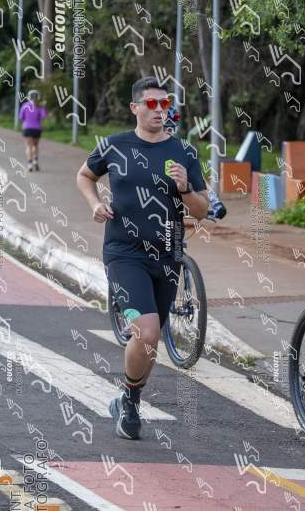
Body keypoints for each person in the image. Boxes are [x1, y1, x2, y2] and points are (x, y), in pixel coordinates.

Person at [76, 76, 209, 439]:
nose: (159, 110)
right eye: (151, 104)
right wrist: (94, 204)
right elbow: (85, 176)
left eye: (165, 104)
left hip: (167, 254)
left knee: (150, 341)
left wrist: (185, 189)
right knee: (146, 330)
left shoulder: (184, 152)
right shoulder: (114, 146)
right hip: (123, 253)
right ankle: (132, 406)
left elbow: (202, 209)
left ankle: (128, 399)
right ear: (135, 107)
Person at [19, 90, 48, 172]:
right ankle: (35, 160)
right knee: (36, 146)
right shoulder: (40, 106)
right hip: (37, 129)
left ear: (29, 96)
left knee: (29, 146)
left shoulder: (25, 105)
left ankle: (29, 163)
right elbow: (44, 117)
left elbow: (21, 117)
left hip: (27, 128)